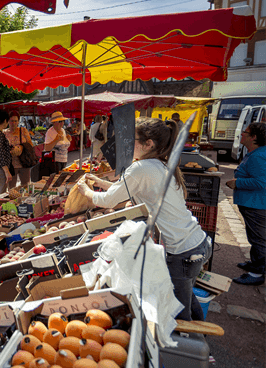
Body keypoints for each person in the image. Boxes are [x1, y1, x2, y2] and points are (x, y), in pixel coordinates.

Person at [77, 117, 212, 321]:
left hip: (182, 251)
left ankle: (191, 347)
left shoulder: (141, 168)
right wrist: (100, 182)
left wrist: (86, 191)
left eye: (132, 140)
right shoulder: (156, 164)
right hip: (195, 243)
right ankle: (200, 343)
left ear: (148, 144)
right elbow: (122, 191)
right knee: (186, 295)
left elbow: (108, 201)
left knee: (178, 314)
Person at [226, 122, 266, 285]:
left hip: (256, 205)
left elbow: (262, 182)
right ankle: (255, 264)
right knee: (254, 236)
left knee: (258, 239)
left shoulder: (258, 156)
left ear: (254, 137)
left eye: (245, 132)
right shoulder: (255, 153)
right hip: (252, 204)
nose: (241, 134)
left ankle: (257, 274)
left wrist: (238, 183)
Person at [4, 110, 32, 188]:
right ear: (8, 121)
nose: (14, 123)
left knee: (25, 186)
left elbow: (30, 145)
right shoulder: (4, 133)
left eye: (16, 121)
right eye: (12, 121)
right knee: (11, 188)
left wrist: (21, 147)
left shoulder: (23, 130)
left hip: (24, 163)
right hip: (11, 165)